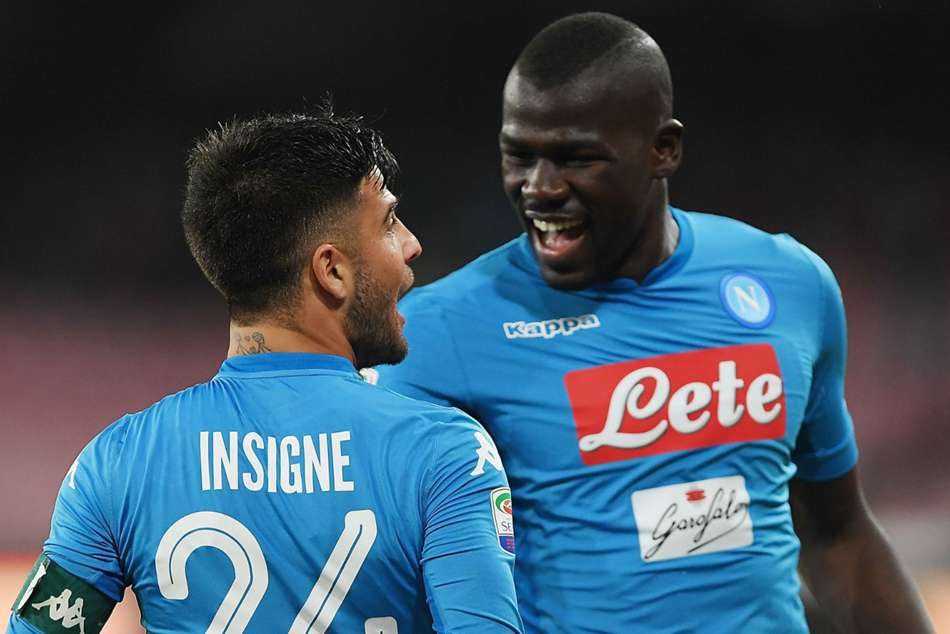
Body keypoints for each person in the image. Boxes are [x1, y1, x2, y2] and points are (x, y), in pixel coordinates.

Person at [374, 12, 934, 633]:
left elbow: (839, 536)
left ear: (662, 149)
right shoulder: (436, 333)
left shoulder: (791, 284)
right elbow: (386, 572)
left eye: (575, 159)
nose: (539, 188)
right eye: (519, 156)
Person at [8, 107, 523, 633]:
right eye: (389, 222)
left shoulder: (120, 462)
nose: (412, 244)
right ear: (331, 271)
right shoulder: (444, 451)